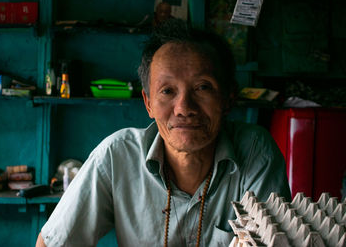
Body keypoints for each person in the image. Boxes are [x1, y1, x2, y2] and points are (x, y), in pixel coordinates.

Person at [36, 19, 290, 247]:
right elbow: (52, 243)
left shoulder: (255, 151)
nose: (184, 108)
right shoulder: (116, 156)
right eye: (167, 91)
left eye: (203, 87)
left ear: (228, 97)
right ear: (148, 103)